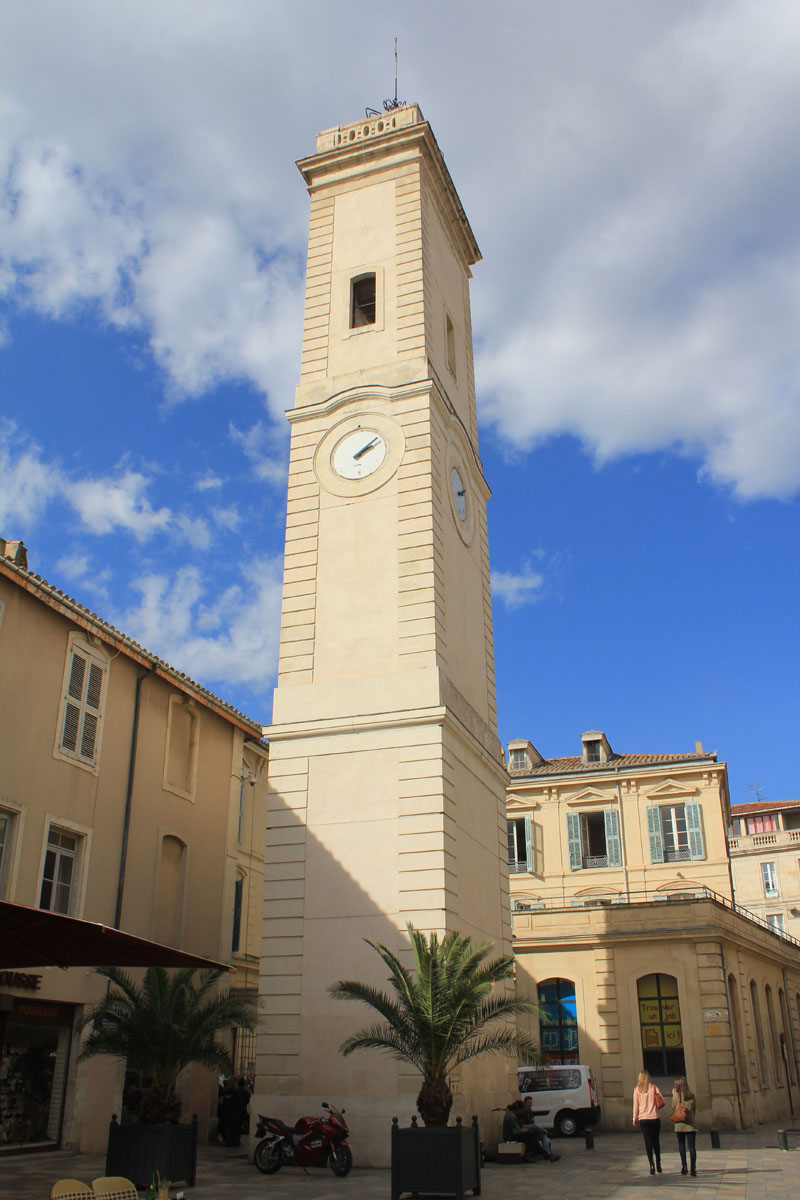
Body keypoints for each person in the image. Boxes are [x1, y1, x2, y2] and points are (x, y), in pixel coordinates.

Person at [632, 1069, 664, 1174]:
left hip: (643, 1119)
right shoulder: (654, 1088)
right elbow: (661, 1100)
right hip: (654, 1117)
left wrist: (634, 1118)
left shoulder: (637, 1090)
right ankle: (658, 1164)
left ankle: (651, 1166)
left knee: (648, 1142)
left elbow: (635, 1105)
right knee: (656, 1141)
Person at [671, 1077, 698, 1176]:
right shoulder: (691, 1096)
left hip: (679, 1125)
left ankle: (684, 1166)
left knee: (681, 1145)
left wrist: (674, 1095)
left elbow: (673, 1108)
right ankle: (693, 1169)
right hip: (690, 1125)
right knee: (692, 1147)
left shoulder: (676, 1096)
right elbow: (694, 1109)